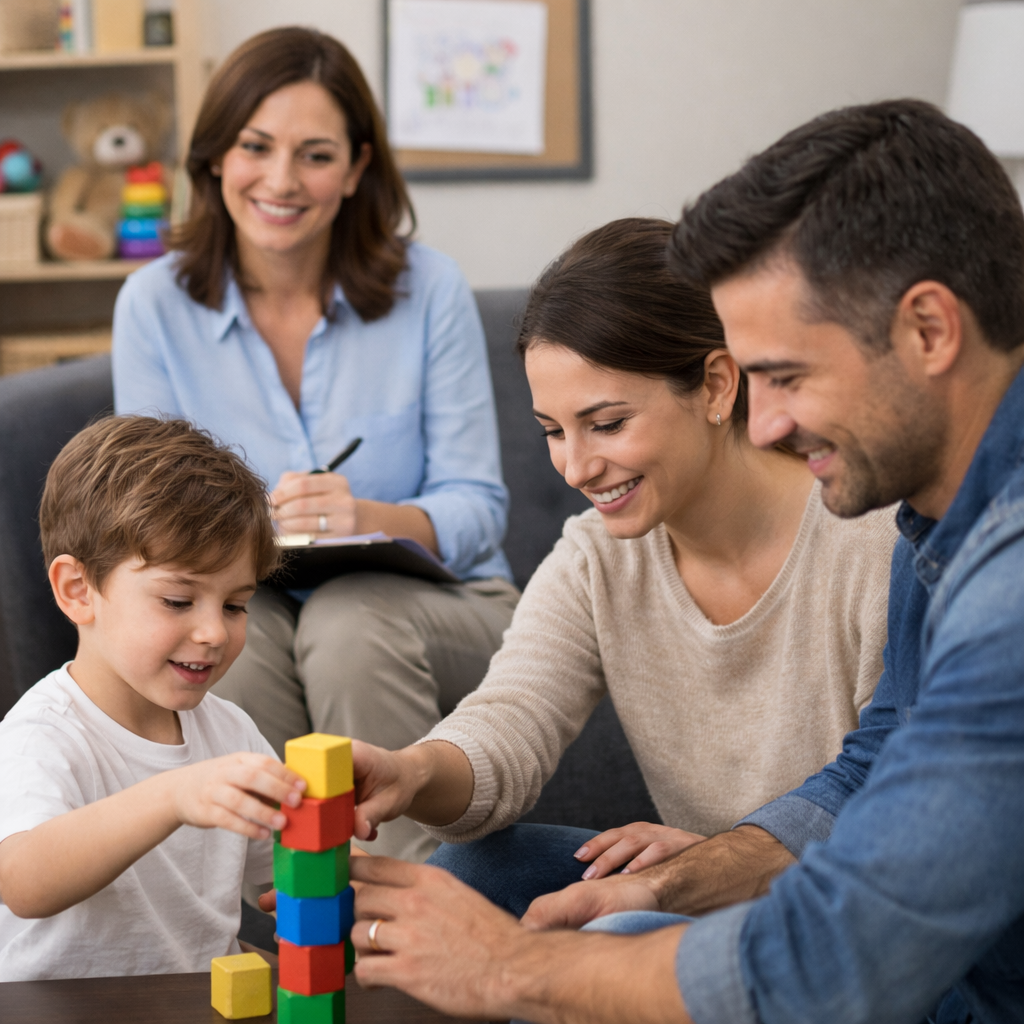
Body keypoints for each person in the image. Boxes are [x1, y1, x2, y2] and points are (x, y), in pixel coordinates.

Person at [340, 99, 1024, 1024]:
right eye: (553, 430)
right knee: (493, 879)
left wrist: (515, 968)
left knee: (613, 946)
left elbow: (846, 945)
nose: (770, 420)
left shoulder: (970, 569)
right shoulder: (930, 523)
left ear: (930, 331)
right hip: (863, 922)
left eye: (787, 375)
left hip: (926, 971)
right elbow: (870, 767)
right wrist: (690, 873)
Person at [341, 217, 897, 918]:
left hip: (847, 909)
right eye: (552, 431)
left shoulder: (874, 539)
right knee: (471, 874)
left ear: (719, 386)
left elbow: (900, 801)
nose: (576, 467)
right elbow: (512, 718)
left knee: (618, 933)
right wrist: (412, 769)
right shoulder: (598, 557)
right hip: (692, 890)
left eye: (606, 424)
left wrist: (705, 864)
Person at [111, 28, 518, 863]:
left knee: (349, 618)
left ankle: (411, 921)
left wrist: (371, 516)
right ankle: (277, 922)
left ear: (358, 168)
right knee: (229, 635)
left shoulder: (428, 288)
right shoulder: (153, 304)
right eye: (256, 147)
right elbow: (142, 524)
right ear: (217, 157)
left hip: (445, 609)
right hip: (249, 601)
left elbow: (479, 509)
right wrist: (242, 533)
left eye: (316, 154)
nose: (282, 181)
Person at [0, 416, 306, 981]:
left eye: (235, 605)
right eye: (177, 600)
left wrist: (344, 851)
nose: (215, 631)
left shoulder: (230, 731)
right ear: (78, 590)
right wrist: (173, 795)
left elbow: (293, 867)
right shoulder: (42, 735)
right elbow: (23, 880)